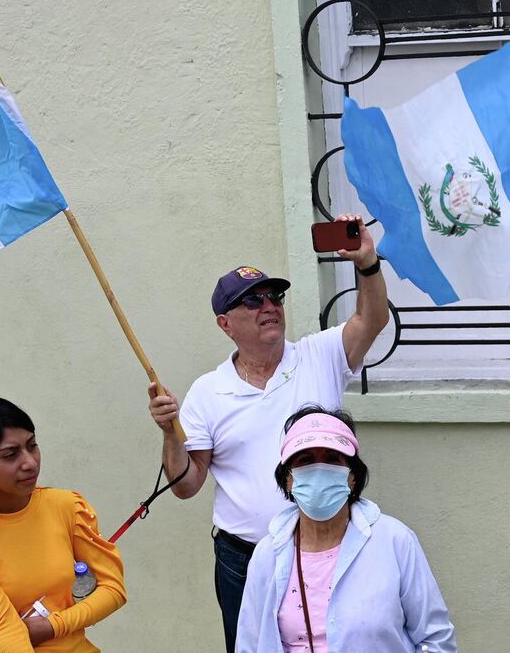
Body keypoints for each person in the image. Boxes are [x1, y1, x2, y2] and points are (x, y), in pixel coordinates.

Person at [146, 213, 388, 651]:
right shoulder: (208, 391)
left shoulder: (320, 355)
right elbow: (187, 485)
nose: (270, 306)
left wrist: (366, 264)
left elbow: (371, 320)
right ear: (225, 323)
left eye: (274, 296)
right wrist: (169, 433)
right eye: (252, 301)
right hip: (244, 557)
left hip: (328, 547)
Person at [234, 406, 455, 652]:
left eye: (332, 458)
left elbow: (436, 639)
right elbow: (249, 643)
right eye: (305, 460)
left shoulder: (395, 541)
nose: (319, 469)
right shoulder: (267, 555)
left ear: (352, 477)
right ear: (288, 480)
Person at [0, 396, 125, 652]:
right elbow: (4, 628)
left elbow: (113, 589)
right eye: (10, 455)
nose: (30, 462)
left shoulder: (66, 506)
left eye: (32, 445)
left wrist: (53, 626)